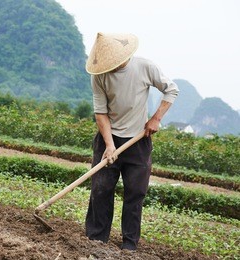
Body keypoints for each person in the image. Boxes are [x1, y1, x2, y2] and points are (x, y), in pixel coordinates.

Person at [84, 33, 179, 251]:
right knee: (100, 189)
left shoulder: (145, 67)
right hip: (108, 139)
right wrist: (109, 145)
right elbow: (101, 113)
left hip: (138, 141)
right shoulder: (99, 75)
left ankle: (129, 244)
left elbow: (171, 90)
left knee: (135, 192)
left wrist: (156, 119)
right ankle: (96, 240)